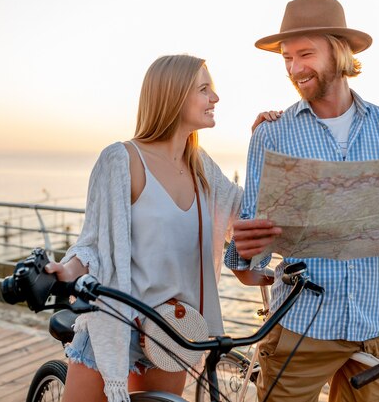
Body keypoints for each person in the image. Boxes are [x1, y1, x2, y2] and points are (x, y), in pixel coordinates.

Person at [224, 0, 379, 402]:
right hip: (300, 327)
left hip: (375, 325)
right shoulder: (272, 134)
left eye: (305, 54)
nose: (295, 69)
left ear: (339, 52)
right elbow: (252, 249)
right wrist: (247, 251)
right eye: (286, 58)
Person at [44, 54, 243, 402]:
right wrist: (66, 270)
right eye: (204, 89)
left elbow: (247, 216)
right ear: (173, 96)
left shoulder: (202, 168)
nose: (215, 98)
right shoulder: (122, 160)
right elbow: (93, 245)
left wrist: (267, 139)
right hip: (117, 324)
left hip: (174, 331)